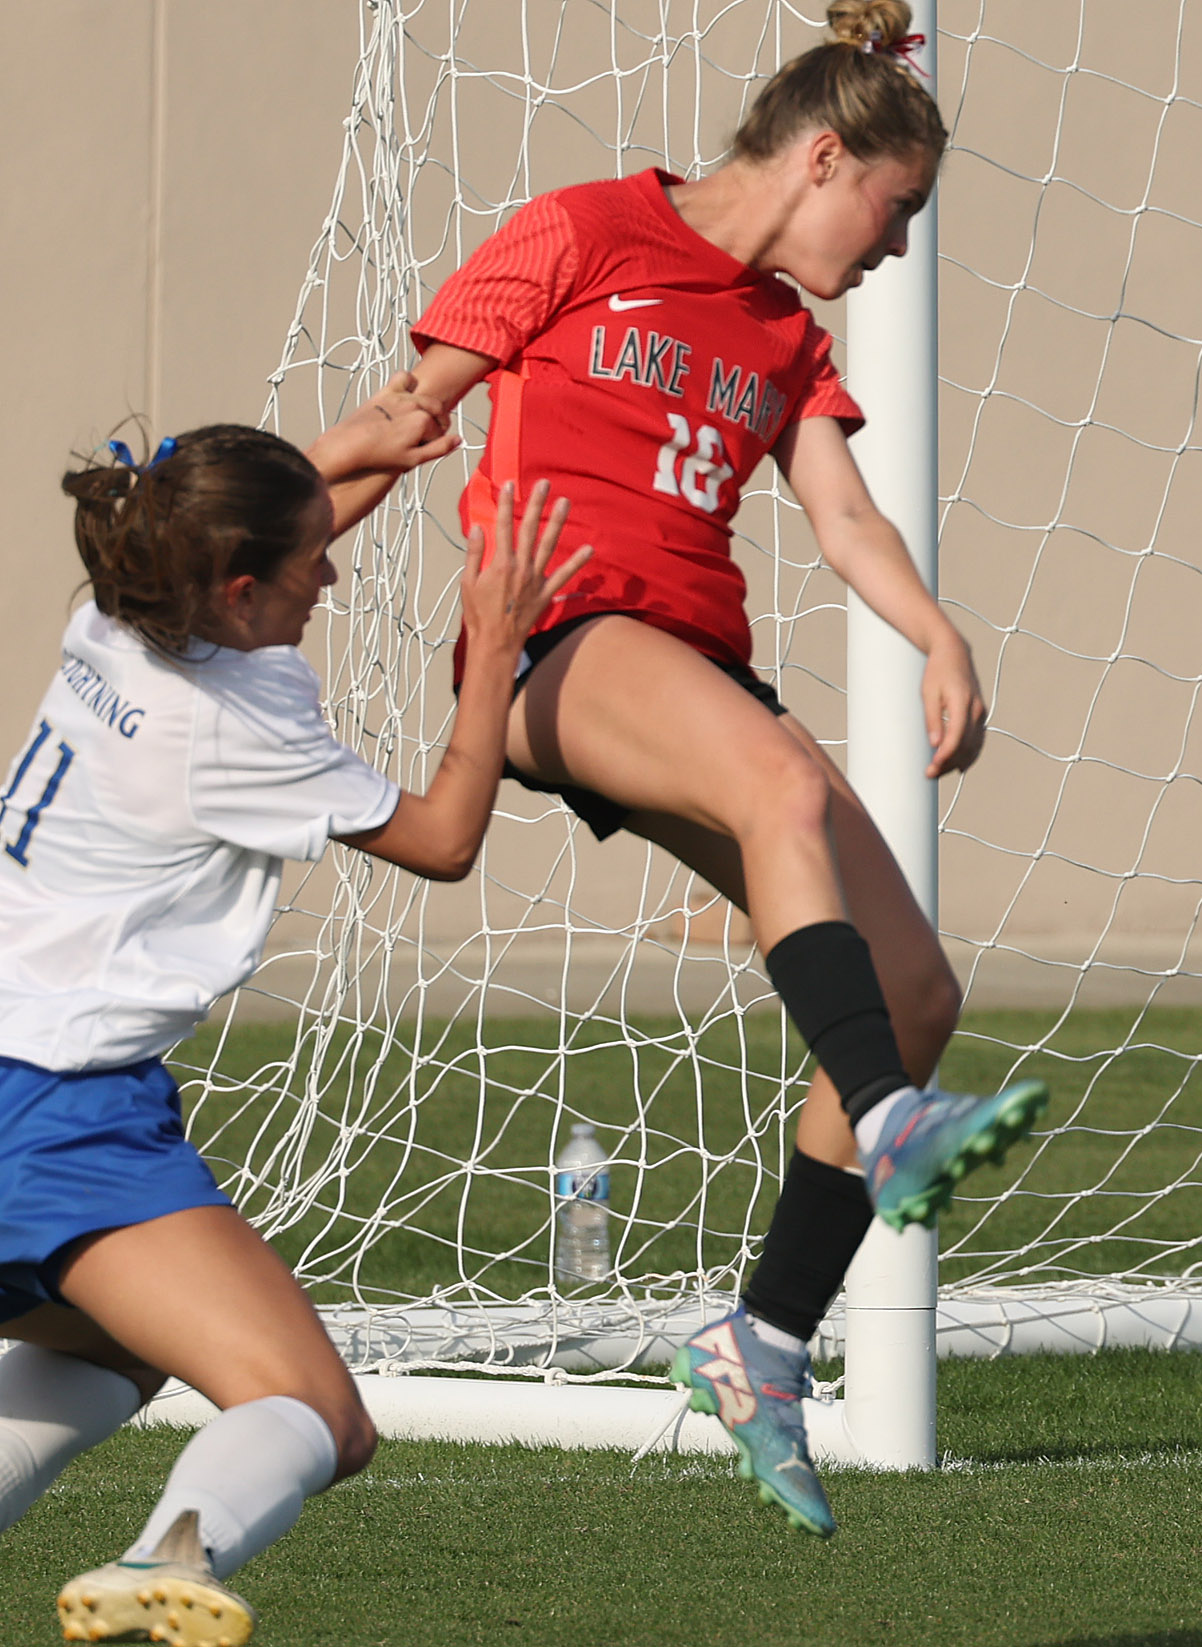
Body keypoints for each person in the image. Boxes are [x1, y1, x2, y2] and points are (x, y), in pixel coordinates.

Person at [369, 0, 1046, 1539]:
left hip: (690, 668)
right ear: (825, 156)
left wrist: (940, 635)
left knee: (917, 987)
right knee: (785, 788)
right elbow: (414, 406)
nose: (892, 248)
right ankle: (884, 1117)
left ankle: (764, 1338)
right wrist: (252, 561)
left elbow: (845, 517)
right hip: (545, 642)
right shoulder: (578, 229)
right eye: (897, 207)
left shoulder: (786, 335)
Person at [2, 400, 586, 1644]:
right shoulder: (230, 731)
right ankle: (169, 1564)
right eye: (311, 557)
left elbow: (235, 548)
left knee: (111, 1350)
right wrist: (493, 651)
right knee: (320, 1411)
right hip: (52, 1111)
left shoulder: (111, 615)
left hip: (24, 1077)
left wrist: (365, 442)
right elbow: (441, 839)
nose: (335, 571)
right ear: (238, 588)